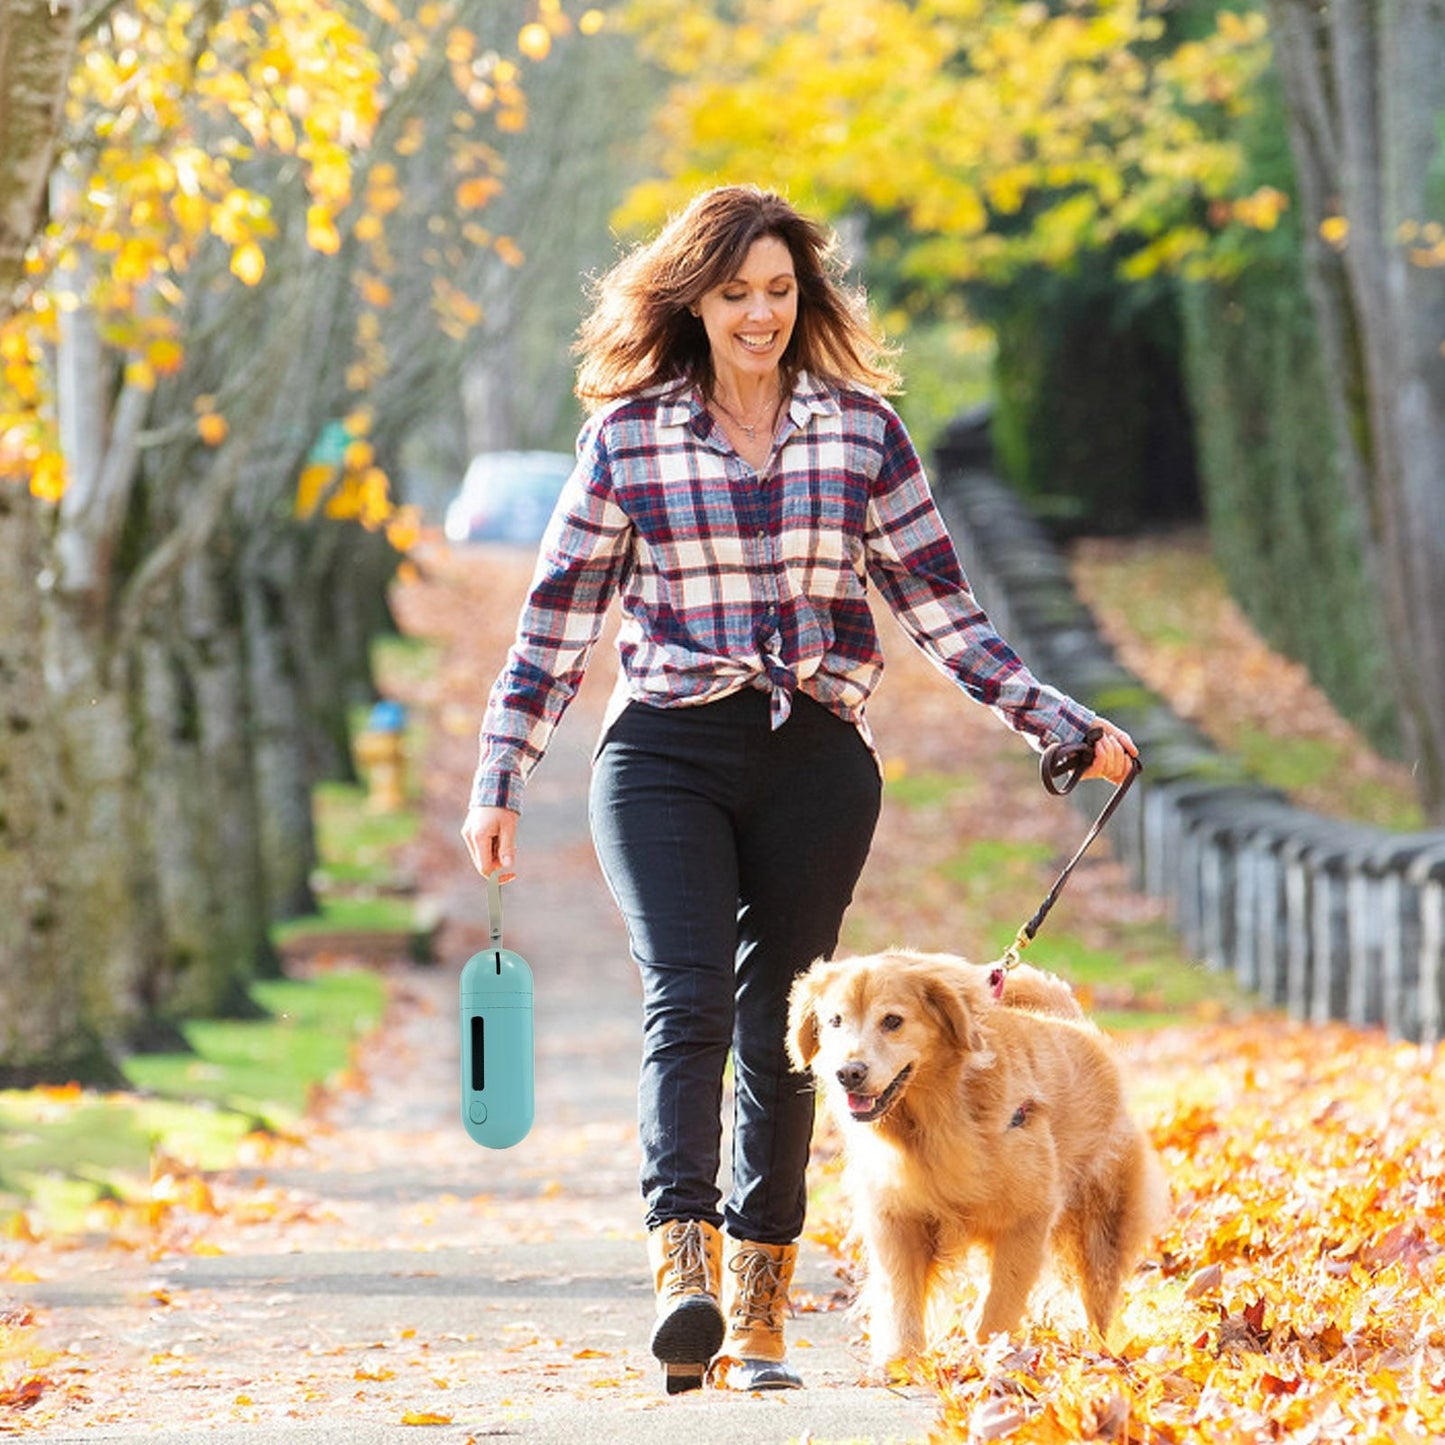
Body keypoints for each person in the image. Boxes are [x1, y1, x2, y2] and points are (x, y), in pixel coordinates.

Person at [460, 185, 1138, 1395]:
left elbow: (941, 611)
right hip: (663, 748)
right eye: (735, 294)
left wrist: (1061, 721)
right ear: (693, 301)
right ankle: (685, 1270)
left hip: (816, 757)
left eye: (779, 291)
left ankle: (762, 1307)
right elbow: (554, 625)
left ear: (803, 298)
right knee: (686, 1000)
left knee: (793, 1024)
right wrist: (498, 773)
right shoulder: (629, 436)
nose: (760, 314)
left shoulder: (861, 432)